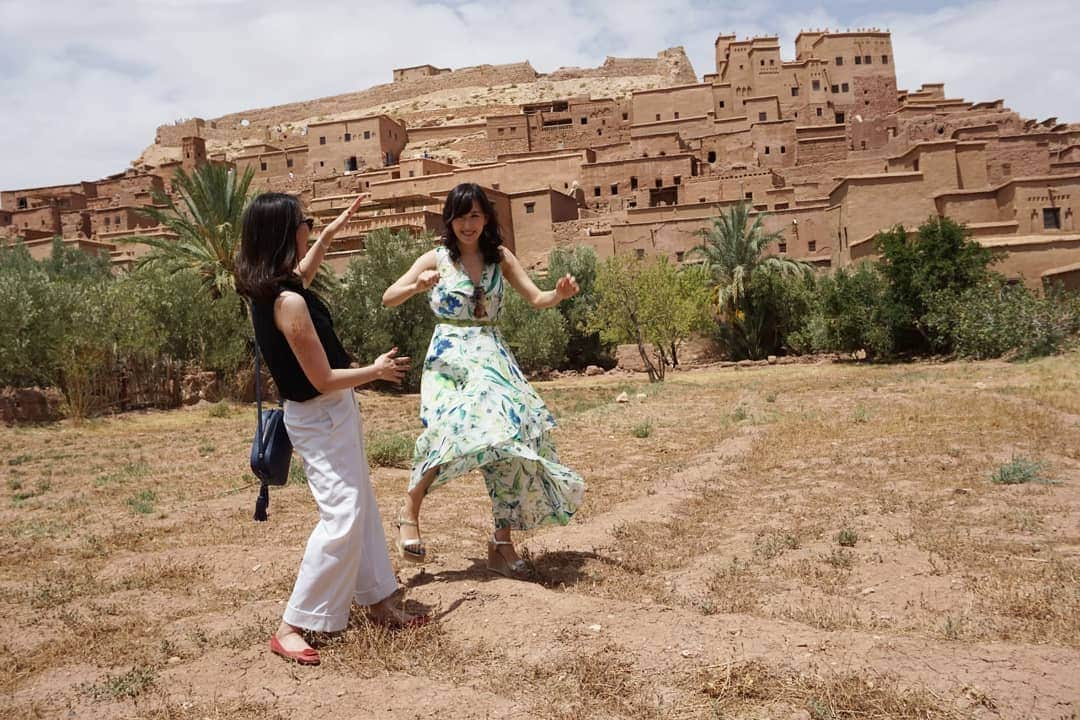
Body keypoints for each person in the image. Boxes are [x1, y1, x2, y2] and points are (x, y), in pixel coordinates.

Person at [235, 192, 426, 666]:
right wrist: (376, 371)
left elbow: (307, 270)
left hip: (329, 414)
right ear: (284, 232)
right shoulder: (289, 305)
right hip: (320, 415)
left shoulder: (273, 290)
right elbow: (322, 378)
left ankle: (379, 601)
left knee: (360, 506)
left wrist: (330, 233)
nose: (308, 227)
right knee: (343, 514)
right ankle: (292, 624)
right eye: (304, 222)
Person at [382, 183, 585, 579]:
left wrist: (558, 294)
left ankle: (501, 544)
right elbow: (389, 296)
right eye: (460, 216)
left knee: (508, 439)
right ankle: (409, 509)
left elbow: (536, 298)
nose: (468, 224)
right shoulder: (436, 258)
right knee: (447, 430)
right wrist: (416, 286)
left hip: (491, 355)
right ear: (449, 220)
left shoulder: (500, 259)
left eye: (475, 215)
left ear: (487, 218)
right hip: (449, 358)